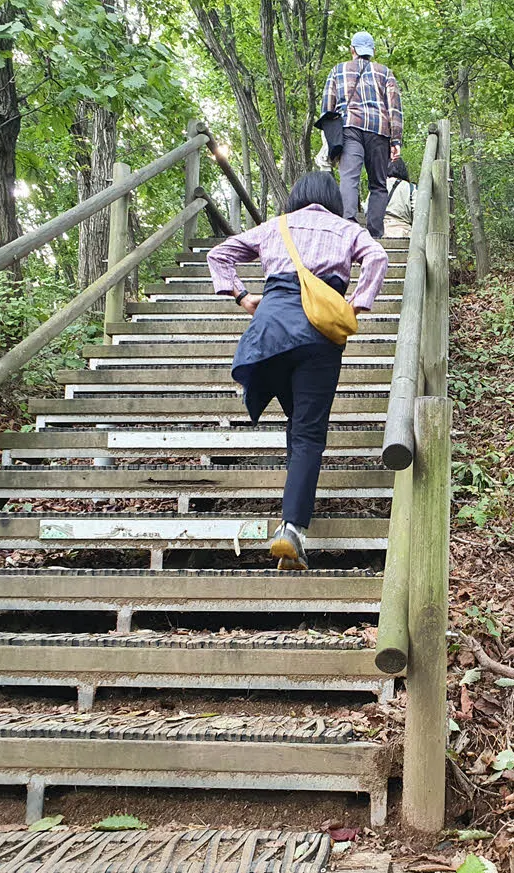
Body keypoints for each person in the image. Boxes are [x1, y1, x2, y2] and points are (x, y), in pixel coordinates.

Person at [206, 172, 389, 570]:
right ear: (332, 200)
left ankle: (293, 518)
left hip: (270, 332)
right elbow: (378, 256)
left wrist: (241, 296)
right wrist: (356, 304)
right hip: (319, 334)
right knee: (308, 430)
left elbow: (218, 254)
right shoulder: (346, 229)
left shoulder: (276, 226)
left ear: (297, 197)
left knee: (297, 423)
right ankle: (292, 529)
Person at [320, 31, 403, 238]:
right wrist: (396, 140)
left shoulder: (338, 71)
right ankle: (374, 233)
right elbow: (395, 109)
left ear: (353, 49)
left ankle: (348, 224)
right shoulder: (385, 73)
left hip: (349, 129)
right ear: (372, 51)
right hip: (379, 131)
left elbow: (327, 109)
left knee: (349, 177)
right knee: (378, 184)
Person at [382, 158, 414, 239]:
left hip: (380, 232)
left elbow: (367, 209)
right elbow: (418, 213)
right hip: (404, 232)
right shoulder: (411, 188)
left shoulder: (378, 186)